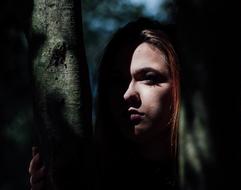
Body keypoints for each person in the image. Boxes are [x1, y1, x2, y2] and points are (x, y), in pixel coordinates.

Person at [29, 17, 180, 190]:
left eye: (149, 78)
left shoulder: (210, 171)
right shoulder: (92, 177)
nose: (128, 94)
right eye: (117, 81)